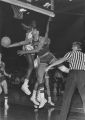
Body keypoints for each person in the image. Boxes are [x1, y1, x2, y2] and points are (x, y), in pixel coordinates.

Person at [46, 41, 85, 120]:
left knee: (67, 97)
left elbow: (61, 60)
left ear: (75, 47)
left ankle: (62, 118)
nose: (71, 48)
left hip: (72, 74)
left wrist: (50, 66)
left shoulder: (70, 53)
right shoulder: (84, 55)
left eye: (72, 47)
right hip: (82, 75)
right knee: (84, 96)